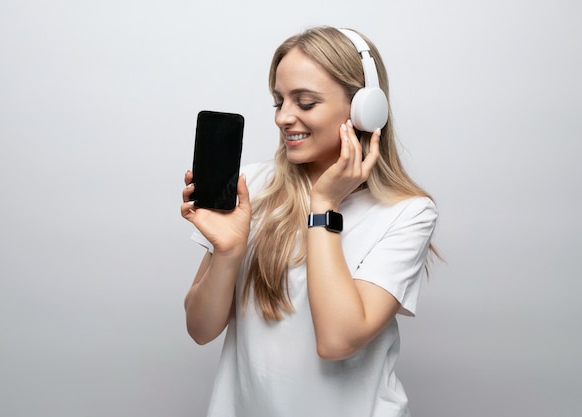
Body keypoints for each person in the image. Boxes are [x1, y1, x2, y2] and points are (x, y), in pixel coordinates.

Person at [180, 25, 439, 417]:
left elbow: (337, 340)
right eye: (278, 101)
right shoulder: (255, 186)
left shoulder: (408, 213)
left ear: (365, 109)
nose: (284, 118)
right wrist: (228, 251)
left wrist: (323, 206)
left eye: (305, 103)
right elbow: (200, 330)